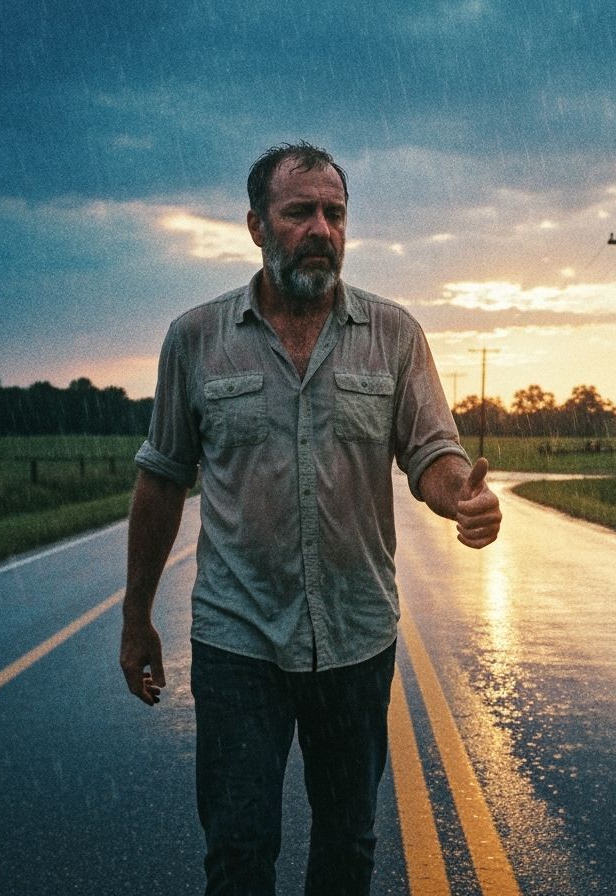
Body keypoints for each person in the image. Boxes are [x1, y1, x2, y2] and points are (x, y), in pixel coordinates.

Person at [119, 141, 501, 896]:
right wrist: (136, 620)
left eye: (335, 213)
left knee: (348, 846)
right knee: (237, 849)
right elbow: (161, 480)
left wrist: (460, 493)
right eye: (300, 213)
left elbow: (432, 452)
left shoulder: (394, 334)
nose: (322, 228)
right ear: (257, 226)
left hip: (356, 638)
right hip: (238, 641)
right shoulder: (196, 339)